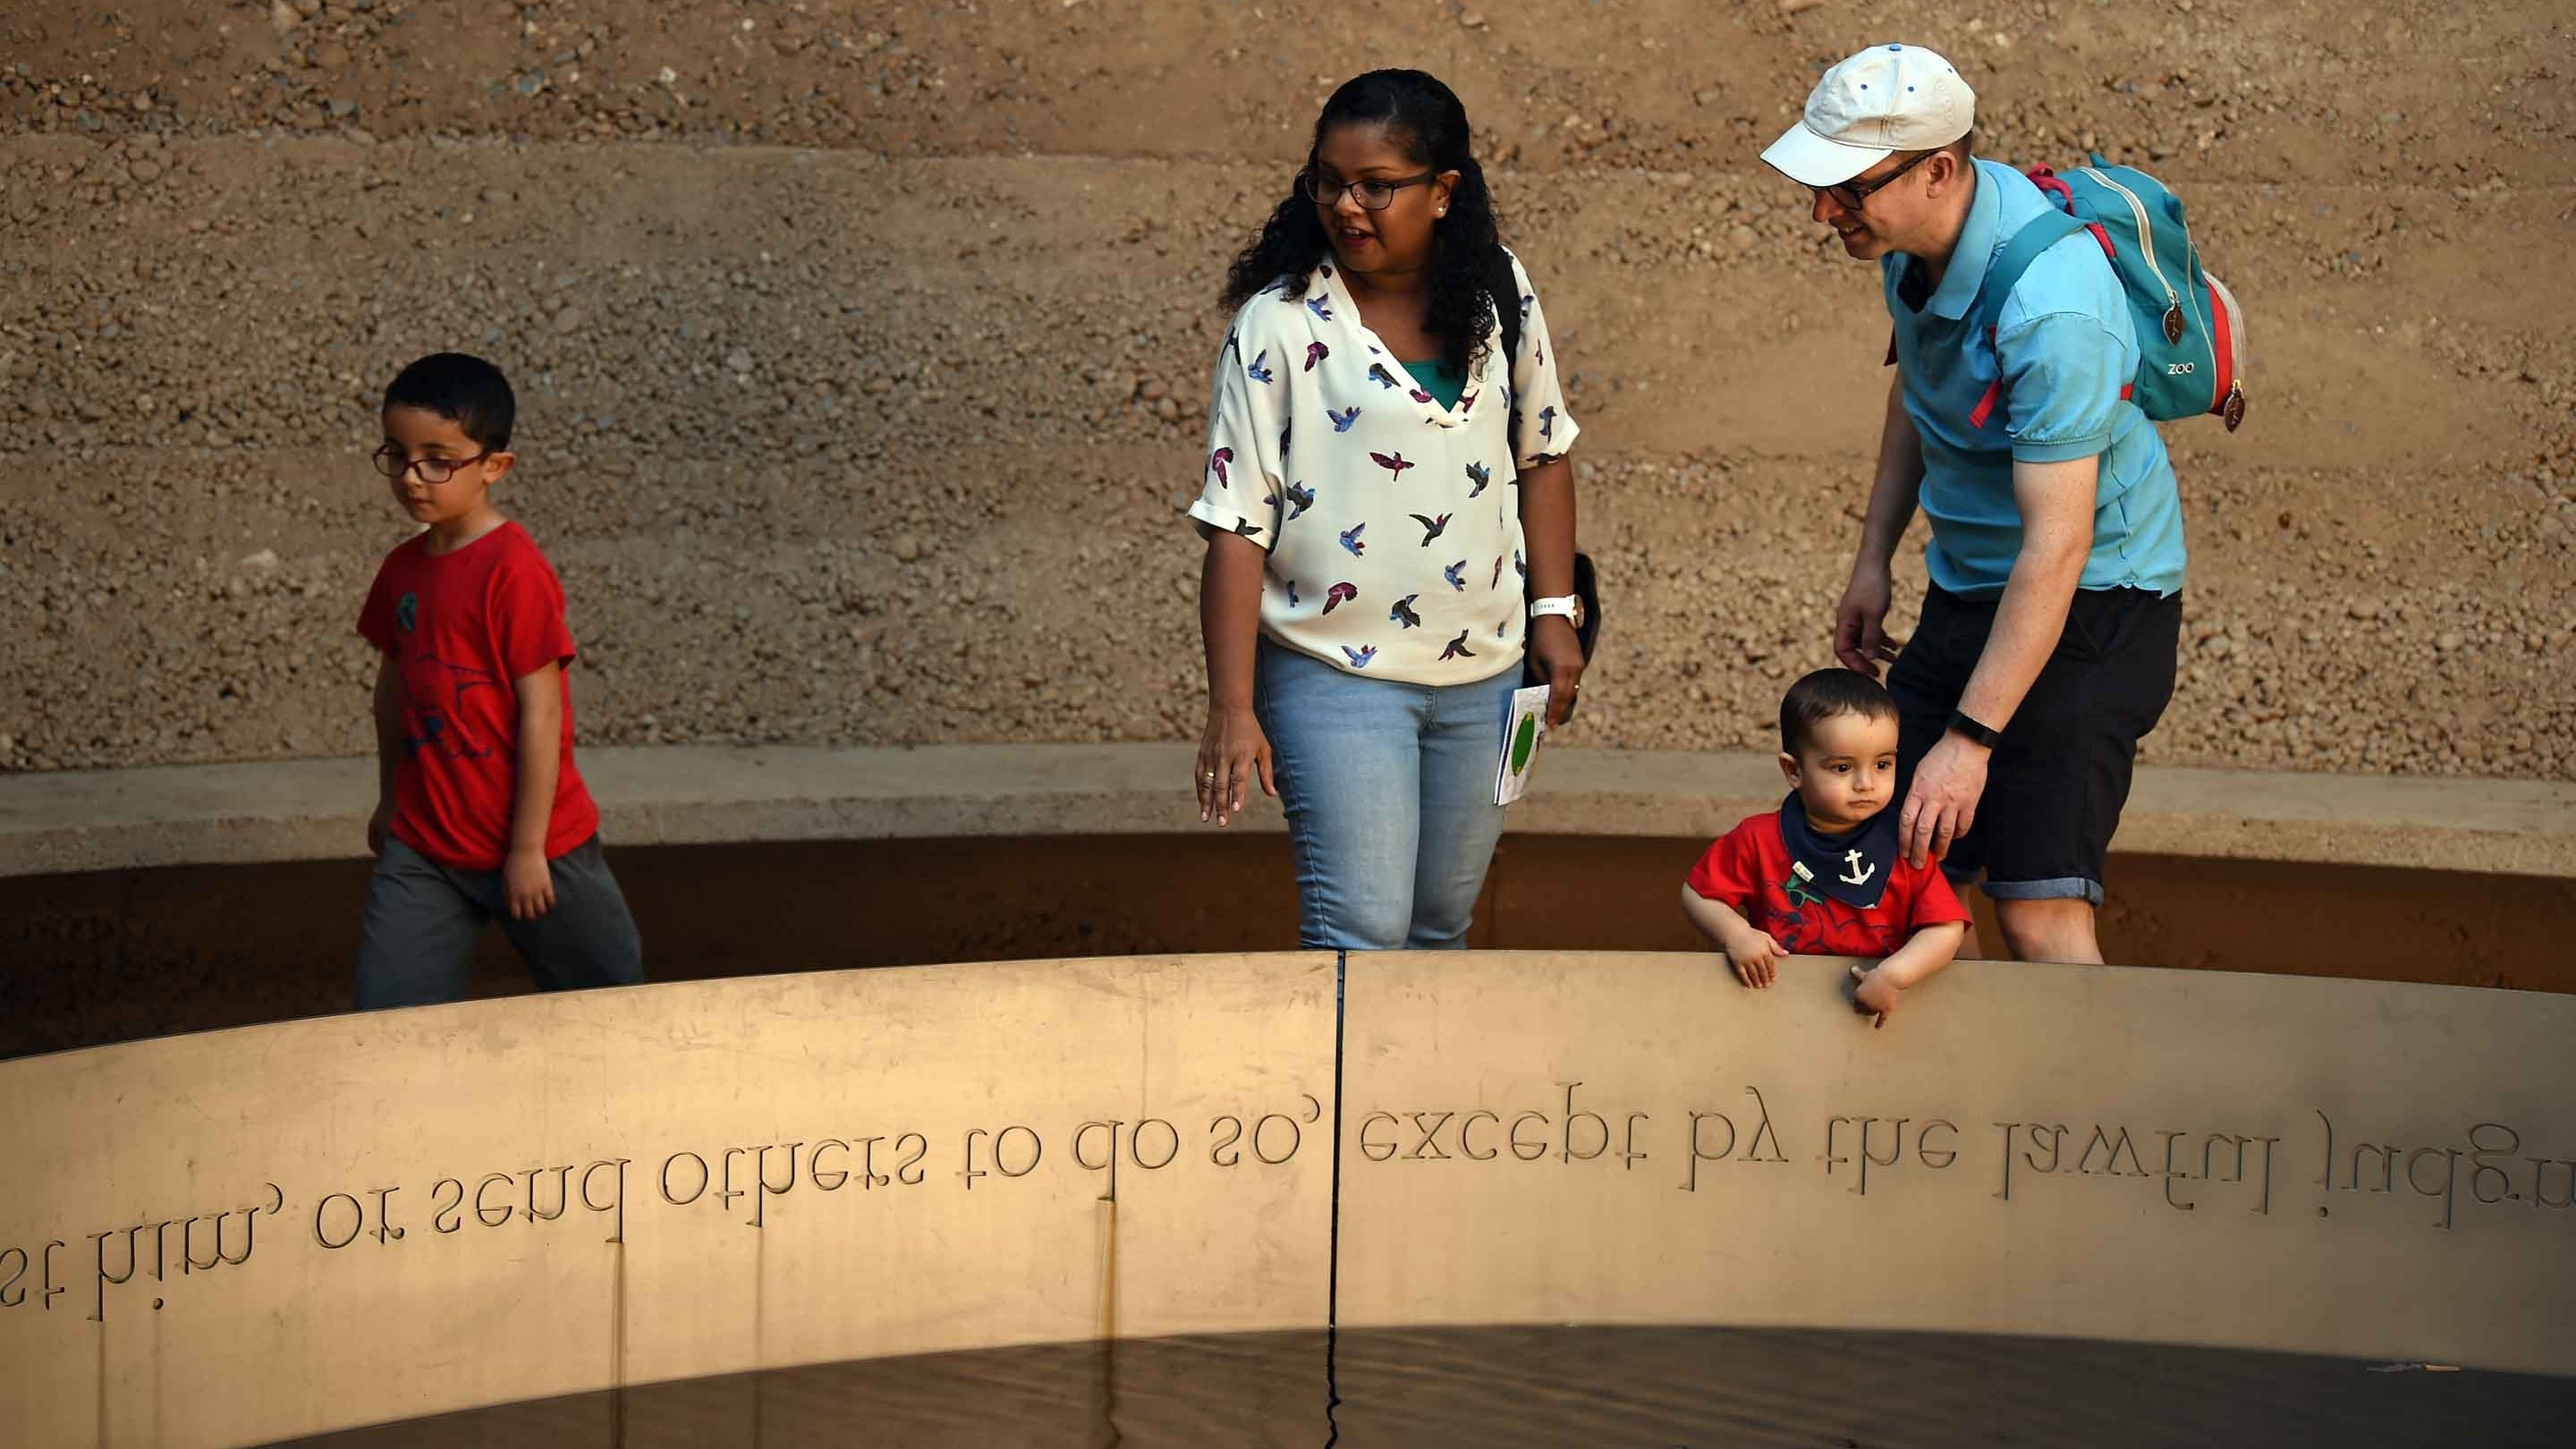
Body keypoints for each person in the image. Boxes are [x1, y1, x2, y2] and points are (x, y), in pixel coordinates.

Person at [1761, 44, 2186, 963]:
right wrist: (1873, 557)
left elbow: (2059, 549)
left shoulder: (2052, 311)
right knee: (1885, 869)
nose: (1823, 210)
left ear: (1939, 170)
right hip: (1975, 591)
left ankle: (2088, 1111)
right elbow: (1918, 386)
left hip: (2097, 606)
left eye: (1847, 186)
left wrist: (1971, 739)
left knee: (2038, 910)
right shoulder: (1911, 241)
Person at [1187, 69, 1586, 950]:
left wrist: (1554, 614)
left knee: (1438, 926)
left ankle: (1414, 1099)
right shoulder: (1280, 324)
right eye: (1328, 181)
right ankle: (1339, 1097)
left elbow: (1543, 454)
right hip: (1334, 677)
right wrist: (1231, 704)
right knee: (1361, 930)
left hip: (1487, 674)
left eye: (1378, 185)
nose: (1347, 205)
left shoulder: (1500, 292)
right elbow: (1235, 523)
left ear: (1443, 191)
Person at [352, 352, 643, 1007]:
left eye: (437, 458)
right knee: (385, 1023)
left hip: (541, 848)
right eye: (396, 454)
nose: (412, 477)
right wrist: (390, 800)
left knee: (616, 1010)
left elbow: (542, 715)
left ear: (494, 467)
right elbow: (391, 696)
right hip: (425, 848)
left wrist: (527, 849)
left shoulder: (513, 569)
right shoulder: (402, 570)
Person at [1682, 670, 1972, 1028]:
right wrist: (1736, 934)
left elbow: (1947, 929)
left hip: (1872, 1015)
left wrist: (1894, 976)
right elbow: (1699, 894)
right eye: (1842, 767)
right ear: (1793, 771)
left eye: (1883, 764)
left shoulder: (1904, 845)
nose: (1866, 784)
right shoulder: (1757, 839)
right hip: (1776, 1012)